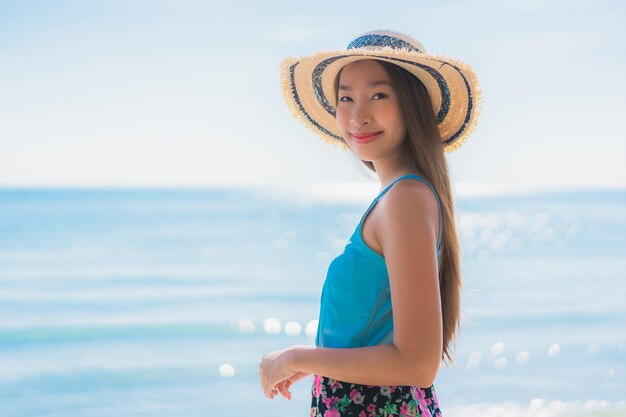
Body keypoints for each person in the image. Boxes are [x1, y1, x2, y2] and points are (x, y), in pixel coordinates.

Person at [259, 29, 482, 416]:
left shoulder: (406, 199)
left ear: (413, 106)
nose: (358, 115)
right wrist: (314, 362)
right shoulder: (399, 197)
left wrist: (298, 357)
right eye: (346, 98)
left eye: (378, 95)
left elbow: (417, 364)